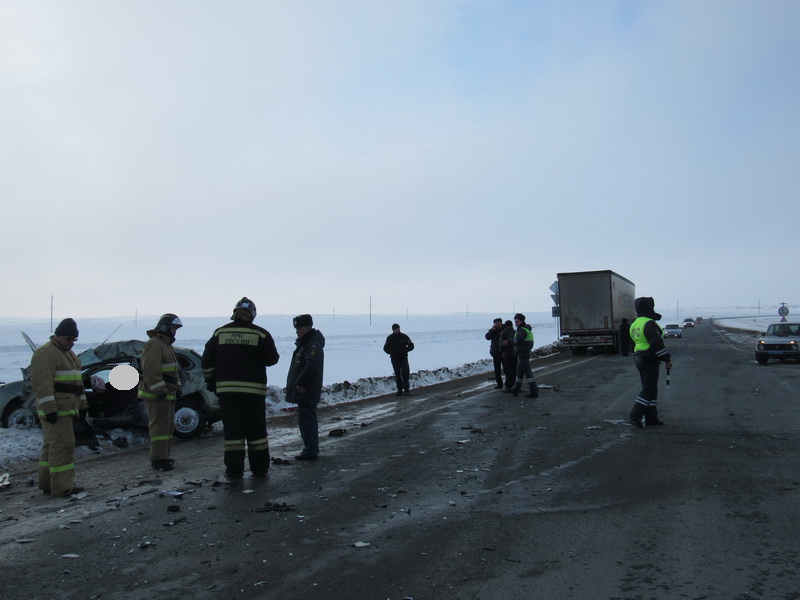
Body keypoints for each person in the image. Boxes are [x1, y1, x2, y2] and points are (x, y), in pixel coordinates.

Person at [202, 297, 280, 479]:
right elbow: (272, 359)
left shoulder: (219, 334)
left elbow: (206, 363)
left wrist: (212, 383)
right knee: (256, 431)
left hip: (227, 393)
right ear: (252, 314)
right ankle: (259, 467)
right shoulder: (261, 335)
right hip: (253, 393)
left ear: (235, 313)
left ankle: (234, 469)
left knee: (233, 432)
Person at [31, 318, 88, 497]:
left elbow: (77, 384)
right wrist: (50, 410)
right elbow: (42, 385)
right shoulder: (45, 353)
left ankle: (47, 483)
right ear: (57, 335)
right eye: (68, 339)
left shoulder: (70, 355)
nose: (71, 343)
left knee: (52, 446)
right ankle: (63, 487)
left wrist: (83, 405)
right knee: (63, 446)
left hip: (67, 409)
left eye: (73, 340)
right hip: (55, 411)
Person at [138, 313, 182, 471]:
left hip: (167, 394)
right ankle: (158, 460)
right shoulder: (154, 344)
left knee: (166, 427)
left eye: (176, 329)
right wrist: (160, 390)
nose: (174, 331)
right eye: (173, 328)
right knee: (159, 428)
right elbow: (151, 369)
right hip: (157, 395)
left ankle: (163, 456)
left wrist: (177, 388)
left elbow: (173, 371)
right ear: (164, 327)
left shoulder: (166, 346)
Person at [285, 314, 325, 460]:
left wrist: (299, 383)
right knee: (306, 419)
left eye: (301, 329)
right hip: (306, 389)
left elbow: (312, 366)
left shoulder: (311, 345)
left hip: (307, 390)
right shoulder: (306, 344)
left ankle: (311, 450)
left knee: (307, 420)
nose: (298, 332)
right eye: (297, 329)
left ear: (308, 328)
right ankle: (310, 448)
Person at [628, 297, 672, 428]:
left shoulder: (635, 323)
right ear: (650, 307)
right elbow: (656, 343)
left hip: (639, 358)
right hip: (649, 359)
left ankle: (651, 418)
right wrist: (667, 359)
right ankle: (635, 415)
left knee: (650, 388)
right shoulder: (649, 323)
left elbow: (632, 344)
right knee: (649, 389)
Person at [507, 313, 538, 398]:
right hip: (522, 353)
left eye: (517, 321)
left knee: (528, 374)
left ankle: (534, 391)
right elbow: (516, 339)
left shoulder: (522, 330)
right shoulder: (522, 329)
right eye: (515, 321)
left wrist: (508, 342)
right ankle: (515, 389)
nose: (515, 323)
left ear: (522, 321)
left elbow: (518, 340)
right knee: (520, 373)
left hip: (523, 353)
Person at [383, 324, 415, 396]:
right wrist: (390, 352)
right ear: (393, 330)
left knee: (405, 374)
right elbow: (385, 348)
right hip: (394, 359)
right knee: (397, 375)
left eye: (398, 328)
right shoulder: (390, 338)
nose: (397, 330)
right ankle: (399, 390)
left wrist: (405, 350)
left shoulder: (404, 337)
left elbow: (411, 345)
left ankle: (406, 390)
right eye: (396, 329)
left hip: (403, 358)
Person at [485, 318, 504, 389]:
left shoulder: (505, 329)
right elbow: (487, 337)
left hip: (504, 353)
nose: (497, 325)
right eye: (496, 324)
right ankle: (499, 384)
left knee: (507, 369)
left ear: (501, 323)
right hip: (496, 353)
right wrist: (492, 330)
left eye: (499, 323)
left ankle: (508, 384)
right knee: (497, 370)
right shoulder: (492, 331)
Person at [500, 319, 517, 391]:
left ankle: (508, 386)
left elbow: (501, 344)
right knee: (514, 370)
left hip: (507, 354)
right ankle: (514, 384)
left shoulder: (503, 333)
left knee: (508, 370)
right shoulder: (516, 332)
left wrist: (502, 351)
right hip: (515, 353)